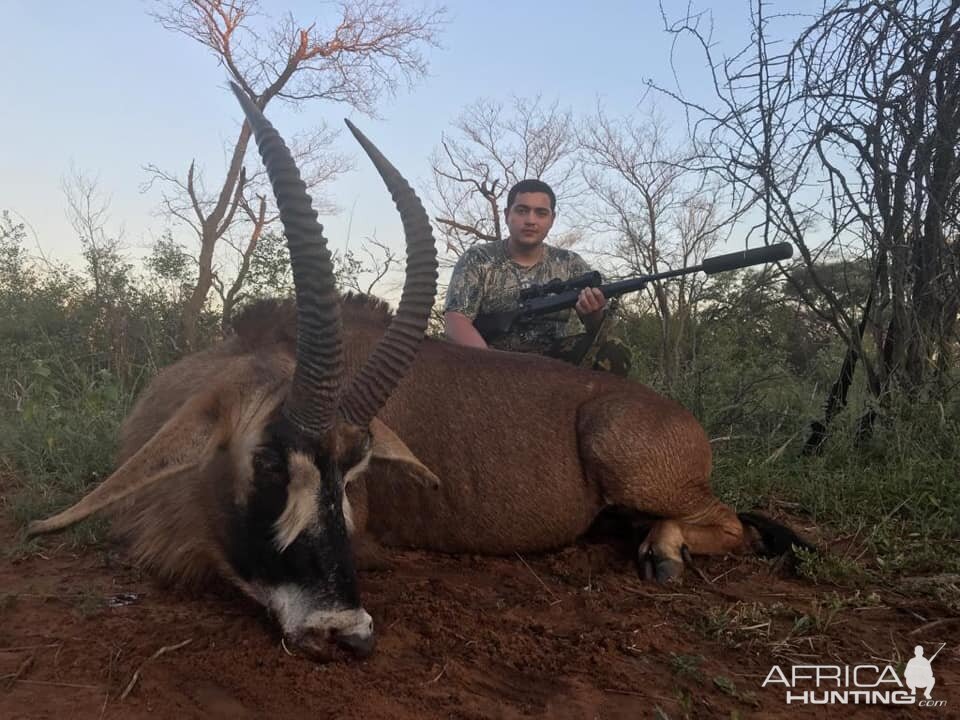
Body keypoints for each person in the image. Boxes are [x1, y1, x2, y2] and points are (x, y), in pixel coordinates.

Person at [443, 179, 631, 376]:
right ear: (507, 215)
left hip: (552, 359)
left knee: (613, 350)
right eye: (522, 210)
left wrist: (594, 313)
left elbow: (597, 331)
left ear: (552, 219)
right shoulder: (478, 258)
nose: (531, 220)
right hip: (489, 358)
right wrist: (490, 365)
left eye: (541, 213)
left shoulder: (570, 263)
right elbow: (456, 319)